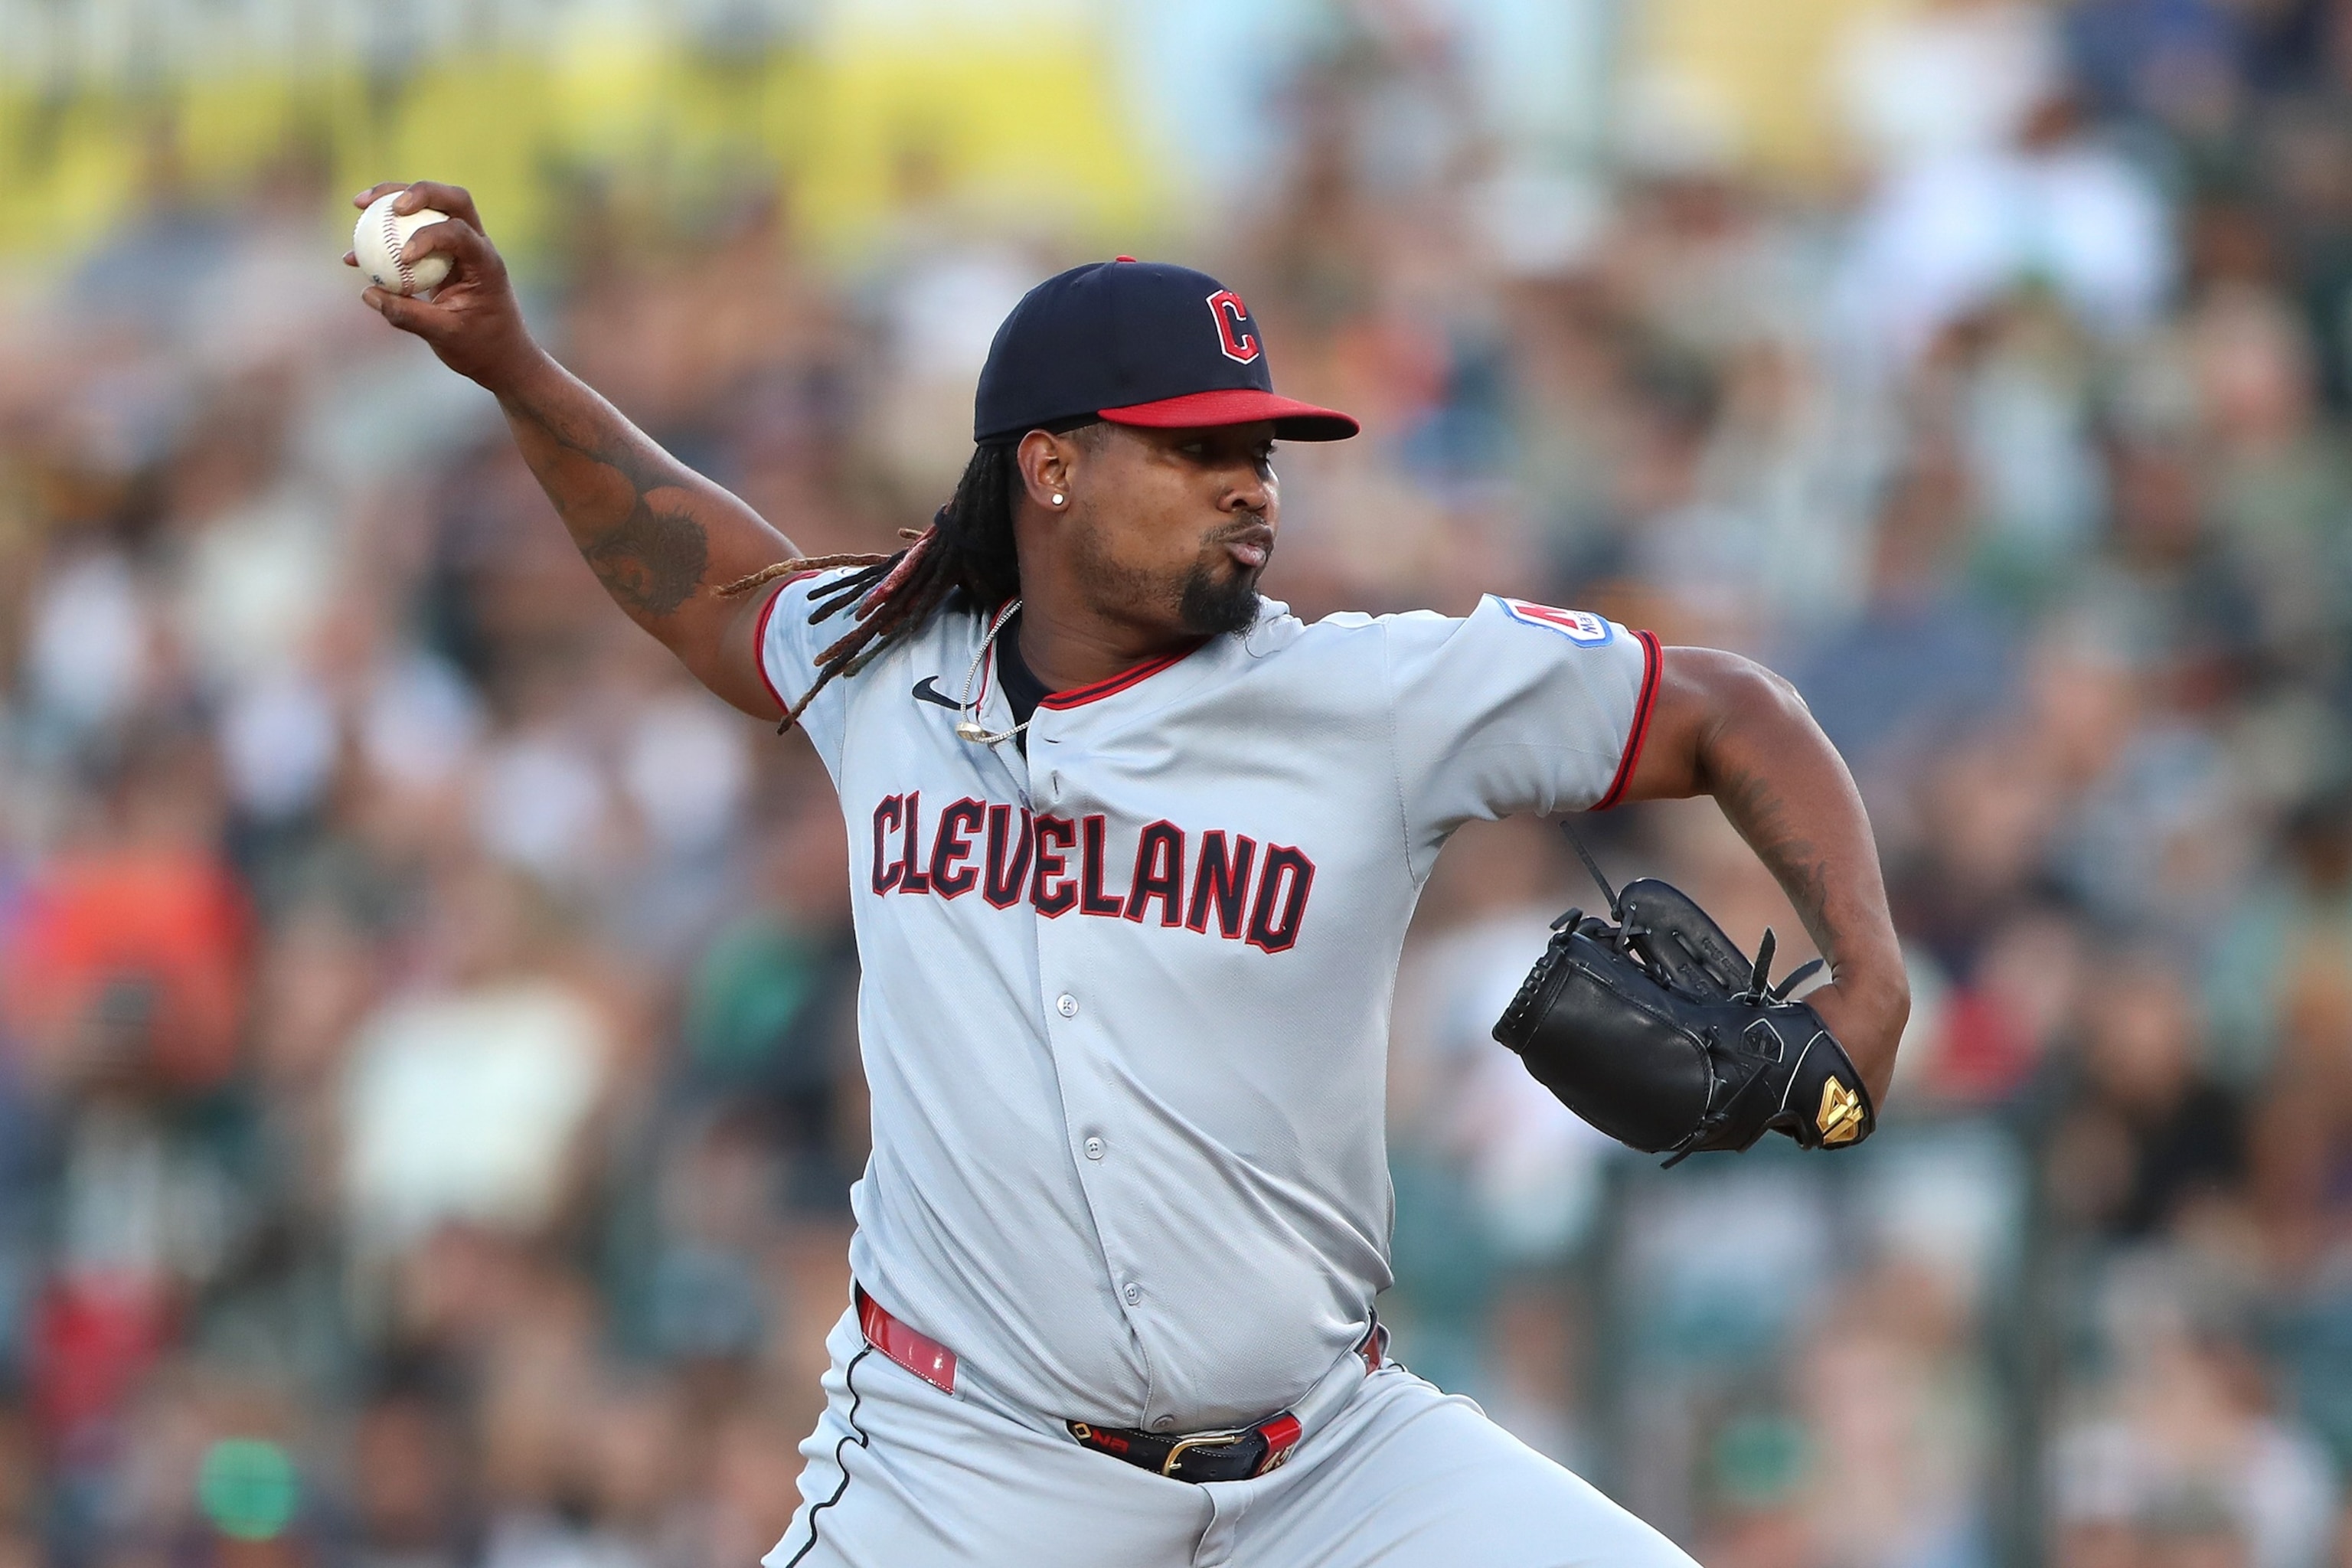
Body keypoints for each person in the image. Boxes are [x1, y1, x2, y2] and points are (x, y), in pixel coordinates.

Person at [350, 181, 1910, 1568]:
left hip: (1333, 1467)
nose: (1253, 483)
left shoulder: (1370, 698)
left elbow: (1730, 712)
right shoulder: (891, 674)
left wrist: (1871, 978)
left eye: (1261, 449)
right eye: (1197, 449)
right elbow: (702, 577)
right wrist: (513, 367)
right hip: (966, 1475)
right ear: (1050, 468)